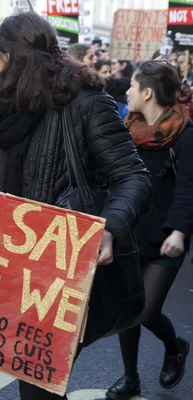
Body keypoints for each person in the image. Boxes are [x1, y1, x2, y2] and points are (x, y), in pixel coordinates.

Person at [0, 12, 151, 400]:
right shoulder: (9, 106)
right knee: (33, 382)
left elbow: (133, 176)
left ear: (14, 59)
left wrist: (110, 227)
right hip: (16, 271)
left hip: (63, 272)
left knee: (36, 385)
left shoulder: (85, 103)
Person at [106, 61, 192, 400]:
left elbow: (188, 188)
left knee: (145, 310)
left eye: (131, 85)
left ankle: (175, 347)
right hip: (131, 231)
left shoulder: (186, 135)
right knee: (127, 308)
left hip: (168, 237)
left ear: (147, 93)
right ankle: (130, 380)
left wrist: (179, 231)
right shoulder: (128, 131)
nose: (126, 91)